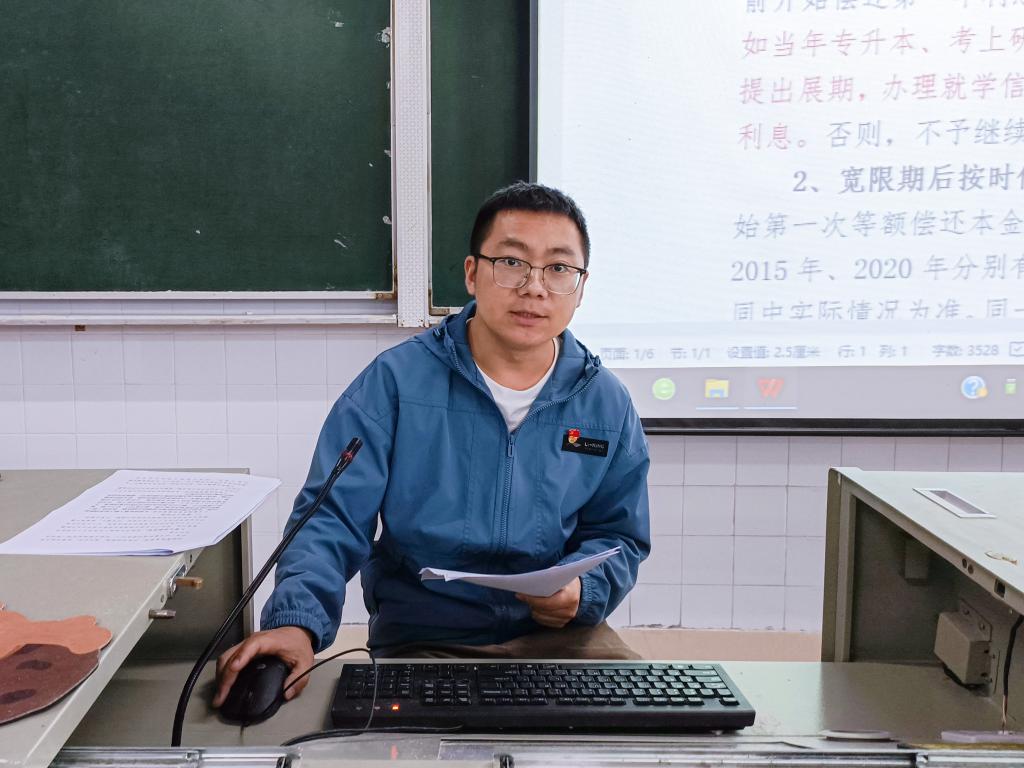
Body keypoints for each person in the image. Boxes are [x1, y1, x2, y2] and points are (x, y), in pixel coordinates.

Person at [214, 182, 651, 707]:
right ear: (472, 273)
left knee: (654, 725)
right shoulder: (396, 384)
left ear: (579, 288)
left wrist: (585, 592)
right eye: (512, 263)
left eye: (558, 268)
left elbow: (618, 534)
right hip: (426, 637)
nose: (535, 287)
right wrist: (296, 624)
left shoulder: (604, 402)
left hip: (561, 639)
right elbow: (331, 518)